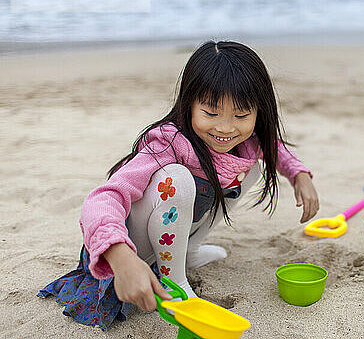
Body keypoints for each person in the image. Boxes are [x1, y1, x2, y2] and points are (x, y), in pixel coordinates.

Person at [38, 41, 320, 330]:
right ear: (190, 104)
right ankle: (174, 280)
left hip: (166, 239)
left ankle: (187, 252)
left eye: (241, 115)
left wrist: (300, 175)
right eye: (211, 113)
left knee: (251, 169)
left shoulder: (247, 142)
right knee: (177, 179)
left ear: (259, 111)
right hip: (128, 250)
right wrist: (121, 258)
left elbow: (274, 147)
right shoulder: (168, 143)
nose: (225, 128)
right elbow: (102, 199)